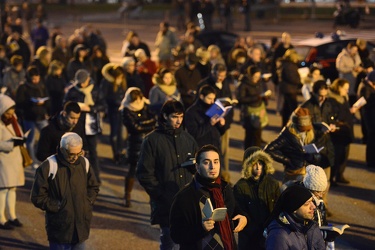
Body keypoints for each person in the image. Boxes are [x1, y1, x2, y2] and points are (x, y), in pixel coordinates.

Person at [136, 100, 198, 250]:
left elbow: (198, 168)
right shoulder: (152, 140)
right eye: (174, 117)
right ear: (164, 116)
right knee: (171, 245)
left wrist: (195, 167)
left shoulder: (188, 139)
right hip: (167, 204)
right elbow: (144, 173)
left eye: (181, 116)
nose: (178, 121)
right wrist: (161, 194)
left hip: (188, 204)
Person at [170, 144, 248, 249]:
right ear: (197, 167)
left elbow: (235, 210)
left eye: (216, 162)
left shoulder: (225, 188)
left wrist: (243, 217)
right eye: (206, 162)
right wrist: (200, 229)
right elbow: (176, 235)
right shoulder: (185, 197)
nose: (212, 167)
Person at [31, 132, 100, 249]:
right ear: (62, 150)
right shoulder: (48, 166)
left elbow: (93, 187)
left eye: (79, 153)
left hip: (81, 227)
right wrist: (58, 206)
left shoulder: (84, 163)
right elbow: (37, 197)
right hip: (60, 229)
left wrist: (86, 203)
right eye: (71, 154)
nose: (75, 157)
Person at [264, 107, 331, 183]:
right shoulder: (287, 135)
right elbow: (268, 150)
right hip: (294, 172)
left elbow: (315, 129)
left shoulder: (310, 130)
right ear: (296, 124)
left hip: (308, 170)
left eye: (307, 127)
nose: (306, 130)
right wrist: (287, 160)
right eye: (302, 128)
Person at [233, 146, 280, 250]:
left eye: (261, 163)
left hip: (269, 235)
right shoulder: (240, 187)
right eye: (255, 164)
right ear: (248, 165)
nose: (258, 167)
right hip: (249, 240)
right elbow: (239, 211)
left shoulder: (273, 184)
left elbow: (278, 209)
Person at [64, 69, 106, 183]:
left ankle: (95, 177)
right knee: (75, 151)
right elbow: (65, 105)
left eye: (83, 81)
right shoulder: (72, 91)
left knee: (93, 152)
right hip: (77, 124)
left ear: (88, 79)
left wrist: (91, 109)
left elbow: (103, 105)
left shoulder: (95, 90)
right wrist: (75, 108)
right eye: (80, 82)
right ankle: (74, 177)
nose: (81, 84)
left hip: (91, 124)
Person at [120, 87, 156, 207]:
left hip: (149, 142)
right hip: (135, 143)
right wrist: (147, 123)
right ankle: (127, 195)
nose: (137, 103)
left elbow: (154, 119)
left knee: (152, 171)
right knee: (132, 170)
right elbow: (135, 127)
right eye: (134, 101)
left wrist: (142, 123)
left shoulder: (145, 104)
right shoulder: (126, 109)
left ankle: (153, 198)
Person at [265, 184, 325, 250]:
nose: (313, 207)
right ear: (294, 208)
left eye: (312, 201)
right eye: (307, 204)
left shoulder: (310, 226)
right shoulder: (279, 236)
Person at [15, 66, 50, 168]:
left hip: (41, 115)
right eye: (34, 79)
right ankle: (33, 160)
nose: (36, 81)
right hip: (29, 117)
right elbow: (19, 102)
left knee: (46, 136)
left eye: (37, 78)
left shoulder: (42, 85)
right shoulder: (23, 87)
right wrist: (31, 102)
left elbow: (47, 98)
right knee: (30, 140)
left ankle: (44, 157)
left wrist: (45, 105)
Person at [0, 94, 25, 230]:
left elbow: (18, 134)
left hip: (14, 159)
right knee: (3, 190)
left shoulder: (13, 120)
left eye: (12, 112)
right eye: (8, 113)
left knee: (12, 188)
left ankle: (12, 216)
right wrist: (12, 144)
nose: (11, 115)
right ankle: (1, 219)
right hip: (3, 161)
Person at [328, 78, 358, 185]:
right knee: (337, 155)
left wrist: (351, 111)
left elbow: (345, 112)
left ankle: (340, 175)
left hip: (346, 130)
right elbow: (336, 115)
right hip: (338, 132)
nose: (347, 91)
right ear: (339, 87)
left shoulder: (343, 97)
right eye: (345, 89)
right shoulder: (332, 99)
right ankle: (332, 177)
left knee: (344, 155)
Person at [100, 63, 127, 163]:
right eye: (119, 77)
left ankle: (120, 152)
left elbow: (124, 94)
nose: (121, 78)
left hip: (121, 110)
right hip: (113, 110)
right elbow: (103, 96)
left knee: (120, 132)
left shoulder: (122, 82)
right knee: (114, 132)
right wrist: (115, 102)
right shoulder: (108, 82)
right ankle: (115, 153)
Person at [237, 66, 270, 148]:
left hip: (259, 110)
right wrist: (257, 97)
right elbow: (241, 99)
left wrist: (265, 97)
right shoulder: (244, 84)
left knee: (258, 135)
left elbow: (262, 92)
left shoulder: (260, 82)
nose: (257, 79)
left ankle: (256, 156)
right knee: (249, 136)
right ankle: (248, 155)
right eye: (255, 77)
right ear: (250, 75)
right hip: (248, 113)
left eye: (258, 77)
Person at [185, 84, 225, 150]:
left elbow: (220, 132)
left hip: (215, 146)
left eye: (213, 99)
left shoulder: (214, 108)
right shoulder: (191, 112)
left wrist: (221, 125)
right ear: (201, 96)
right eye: (209, 98)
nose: (212, 102)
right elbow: (194, 133)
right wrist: (210, 124)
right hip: (201, 149)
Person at [279, 49, 302, 127]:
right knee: (292, 109)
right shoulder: (290, 65)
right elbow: (292, 78)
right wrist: (300, 79)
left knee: (286, 108)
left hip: (287, 89)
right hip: (290, 90)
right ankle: (292, 125)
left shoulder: (286, 64)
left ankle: (285, 125)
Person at [336, 42, 362, 106]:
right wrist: (352, 69)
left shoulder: (356, 55)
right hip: (346, 78)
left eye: (356, 50)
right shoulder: (342, 56)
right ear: (349, 48)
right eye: (353, 50)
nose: (355, 52)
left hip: (355, 79)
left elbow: (358, 63)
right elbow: (340, 68)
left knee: (353, 96)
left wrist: (359, 69)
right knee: (347, 96)